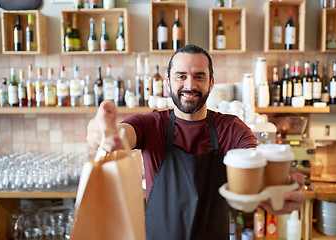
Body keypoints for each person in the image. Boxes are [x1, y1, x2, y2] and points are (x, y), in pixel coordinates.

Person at [87, 44, 305, 239]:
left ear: (211, 84)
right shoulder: (151, 125)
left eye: (199, 77)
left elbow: (257, 161)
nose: (189, 85)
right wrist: (100, 133)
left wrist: (280, 189)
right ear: (169, 83)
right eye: (181, 76)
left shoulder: (230, 128)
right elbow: (116, 134)